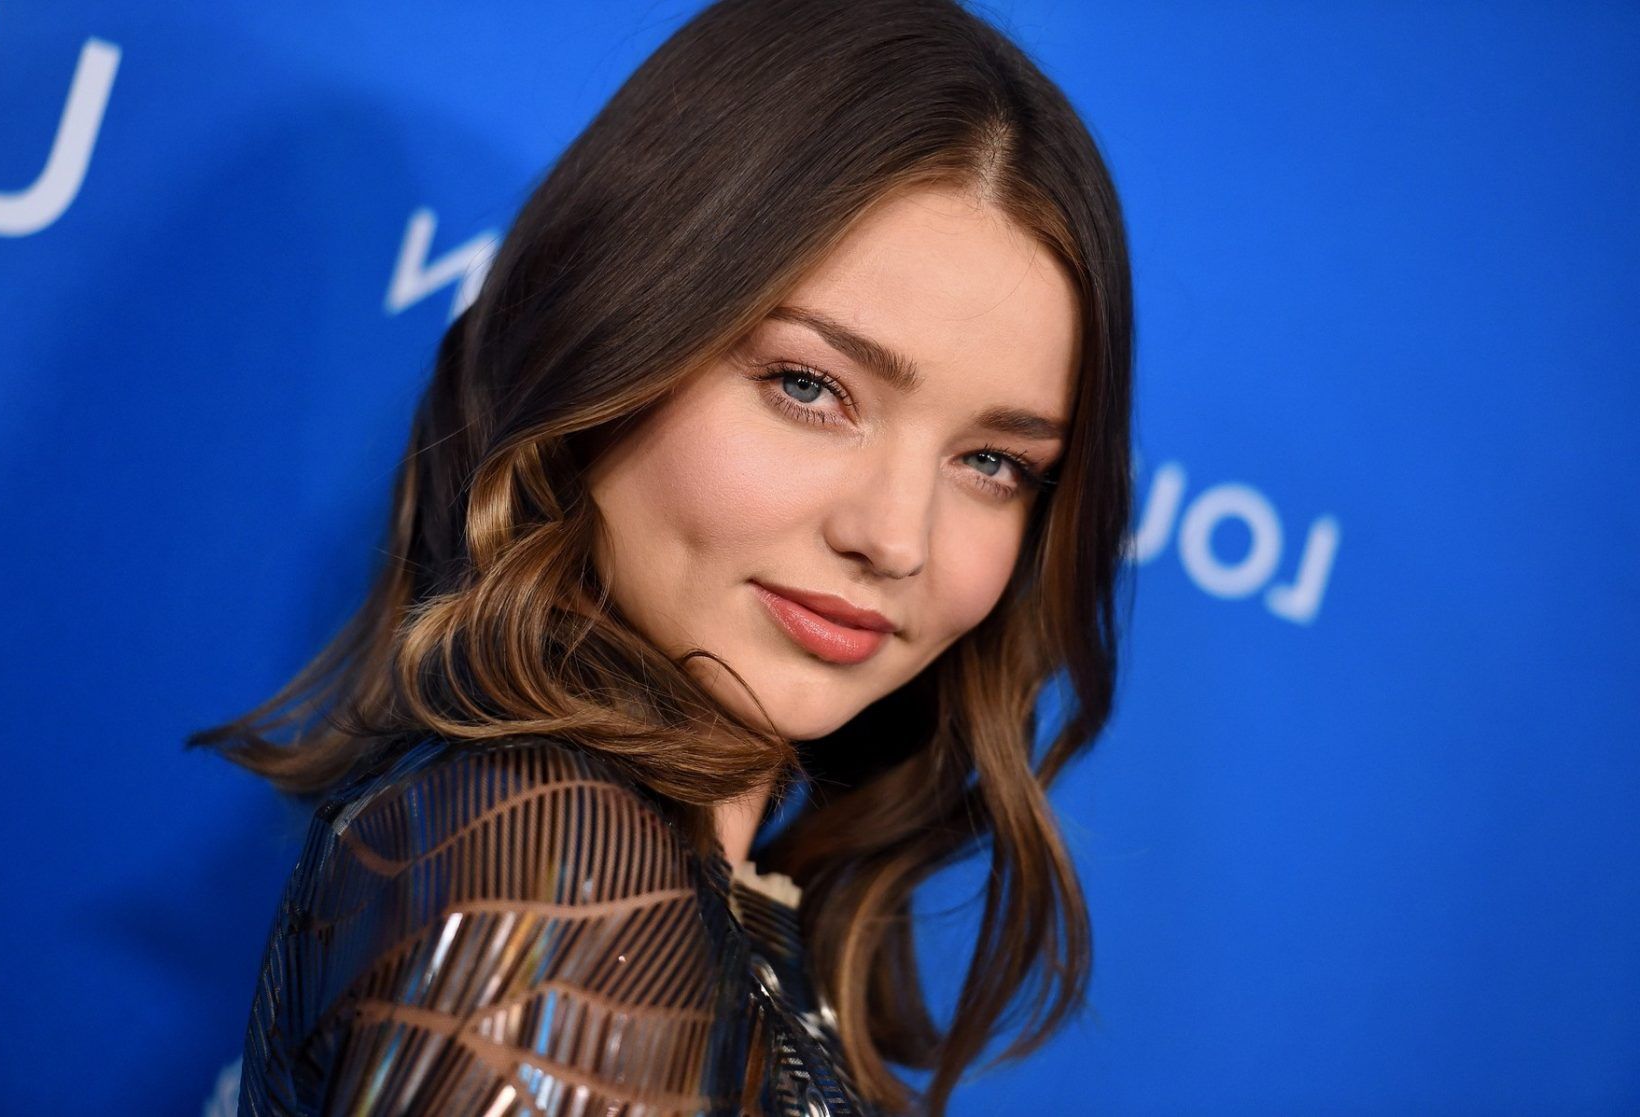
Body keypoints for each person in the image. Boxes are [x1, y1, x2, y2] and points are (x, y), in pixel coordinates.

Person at [191, 0, 1134, 1113]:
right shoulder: (558, 872)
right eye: (809, 386)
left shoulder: (656, 882)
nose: (895, 538)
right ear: (609, 339)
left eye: (992, 462)